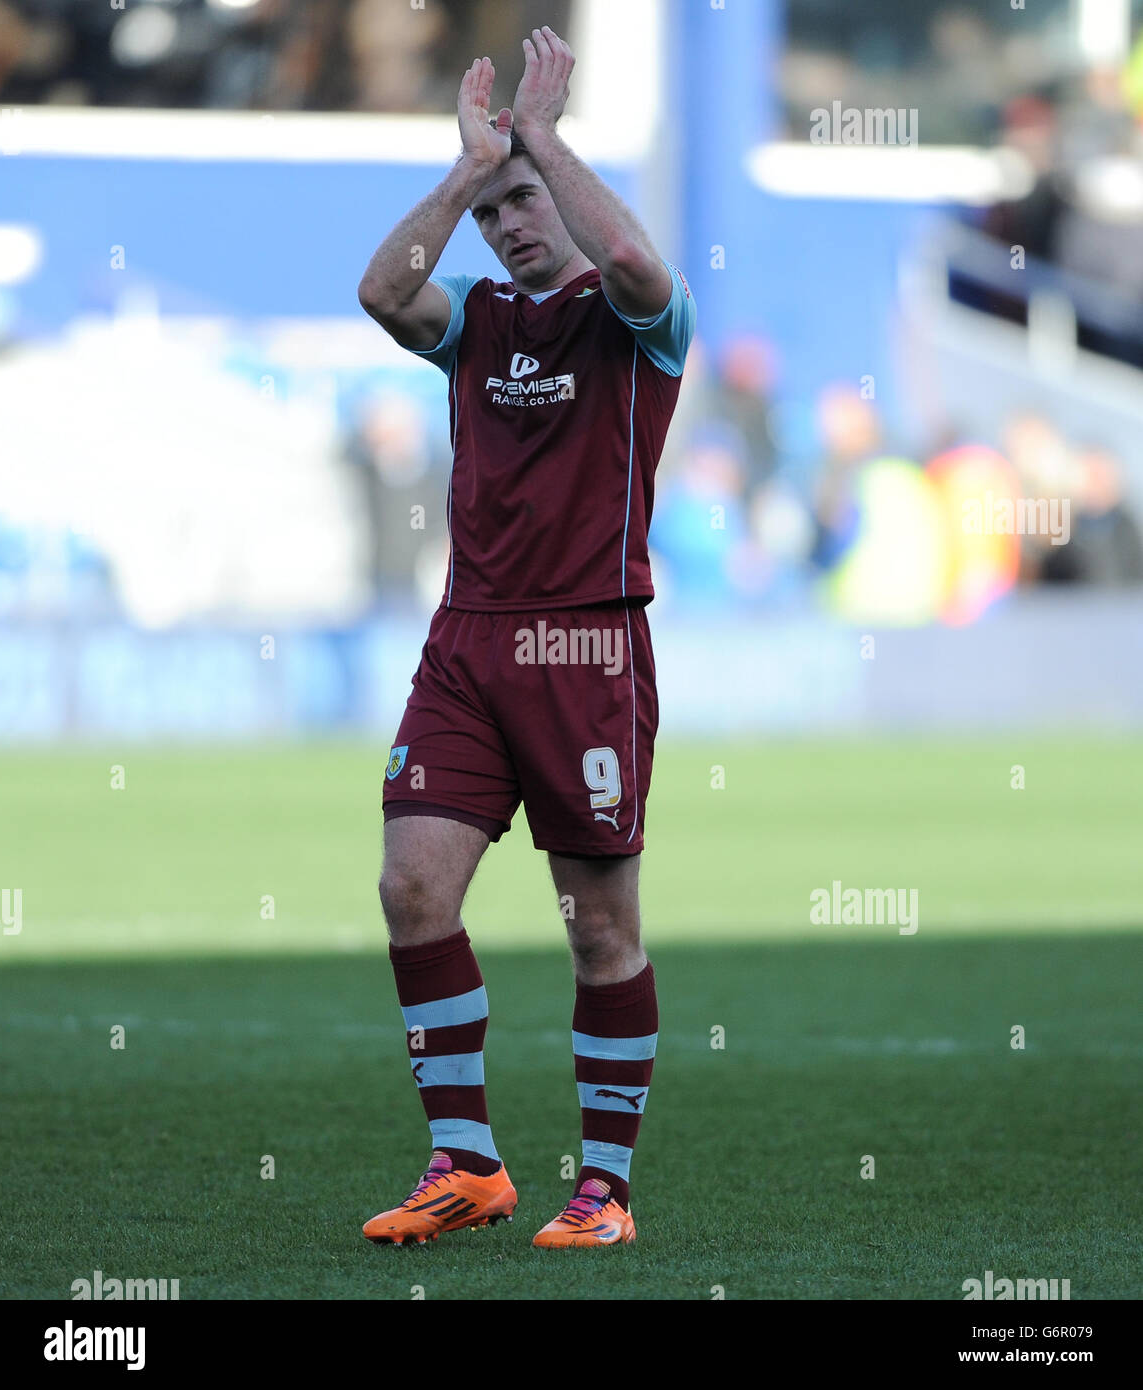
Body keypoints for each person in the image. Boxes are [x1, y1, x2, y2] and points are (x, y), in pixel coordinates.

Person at [356, 25, 695, 1248]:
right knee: (410, 887)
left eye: (522, 204)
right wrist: (466, 171)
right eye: (493, 213)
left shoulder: (631, 321)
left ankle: (604, 1189)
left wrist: (541, 140)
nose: (507, 226)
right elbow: (384, 293)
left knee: (599, 927)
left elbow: (647, 269)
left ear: (565, 192)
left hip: (585, 655)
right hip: (468, 645)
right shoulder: (475, 325)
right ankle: (469, 1164)